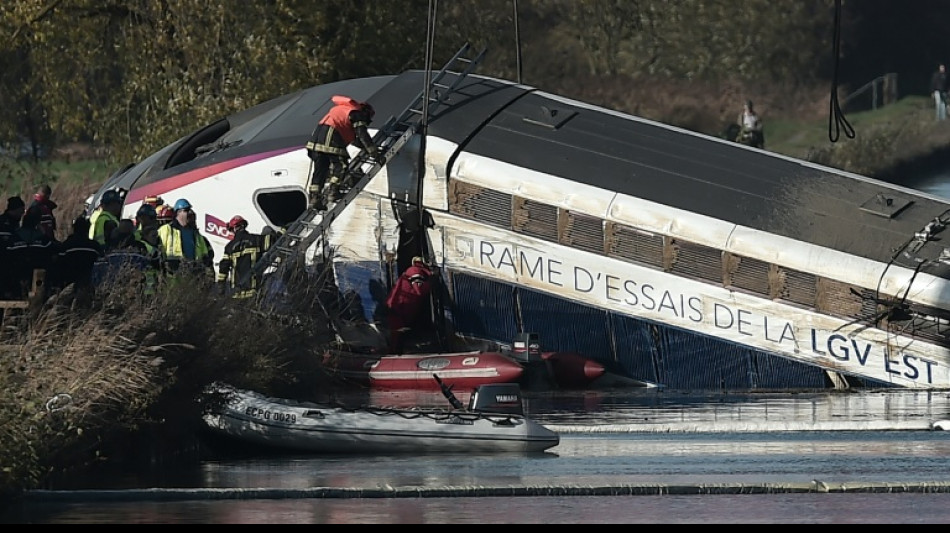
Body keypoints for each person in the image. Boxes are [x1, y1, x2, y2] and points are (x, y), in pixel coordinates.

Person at [305, 95, 381, 209]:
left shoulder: (344, 110)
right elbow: (362, 134)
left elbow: (355, 140)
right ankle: (333, 192)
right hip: (330, 137)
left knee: (320, 171)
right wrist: (373, 152)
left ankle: (314, 198)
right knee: (341, 166)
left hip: (316, 140)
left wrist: (366, 148)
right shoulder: (356, 113)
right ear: (365, 112)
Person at [216, 215, 273, 299]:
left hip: (236, 293)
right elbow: (275, 240)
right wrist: (282, 231)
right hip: (254, 291)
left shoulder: (229, 247)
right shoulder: (257, 240)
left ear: (234, 229)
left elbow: (223, 268)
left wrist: (221, 288)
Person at [384, 256, 433, 353]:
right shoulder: (415, 271)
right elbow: (419, 290)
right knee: (396, 335)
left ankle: (395, 352)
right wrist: (431, 283)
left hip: (398, 306)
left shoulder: (411, 271)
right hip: (400, 307)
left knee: (396, 334)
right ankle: (394, 354)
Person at [157, 198, 213, 278]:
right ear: (178, 212)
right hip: (172, 274)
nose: (190, 213)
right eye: (186, 210)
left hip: (192, 274)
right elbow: (158, 250)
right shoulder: (166, 230)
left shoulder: (196, 234)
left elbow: (205, 254)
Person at [50, 216, 103, 297]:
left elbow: (58, 265)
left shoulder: (66, 245)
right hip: (88, 285)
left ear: (74, 229)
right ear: (88, 229)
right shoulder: (94, 246)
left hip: (68, 284)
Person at [0, 196, 26, 299]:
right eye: (21, 211)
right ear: (14, 210)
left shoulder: (15, 224)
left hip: (13, 268)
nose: (22, 214)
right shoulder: (3, 224)